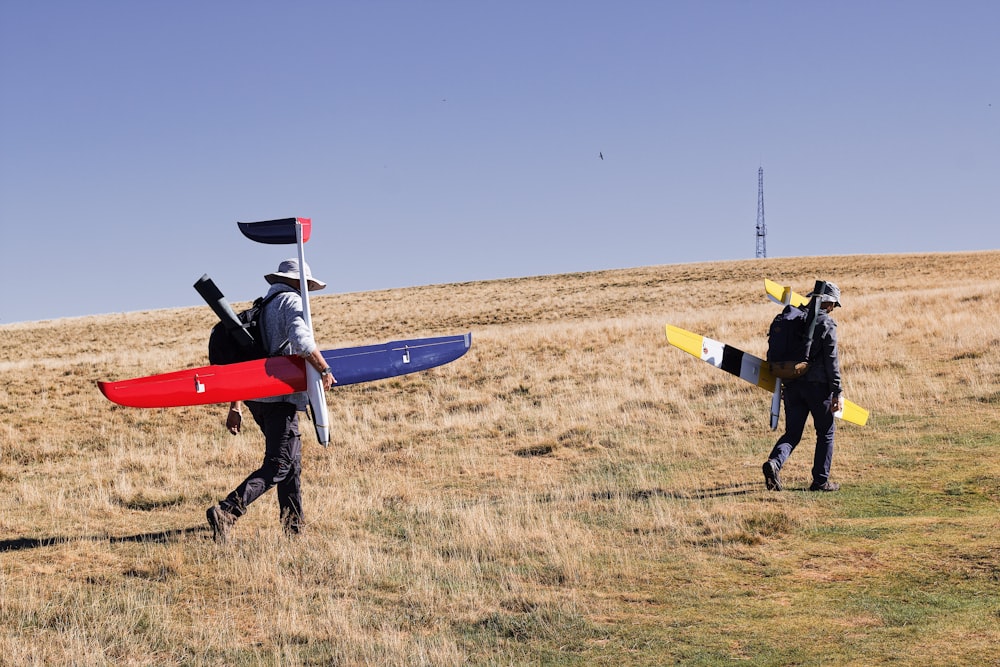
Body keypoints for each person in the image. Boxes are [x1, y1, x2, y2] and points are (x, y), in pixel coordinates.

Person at [206, 258, 336, 542]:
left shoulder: (264, 304)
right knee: (279, 464)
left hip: (258, 399)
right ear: (297, 282)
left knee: (290, 463)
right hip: (280, 398)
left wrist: (236, 405)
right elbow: (302, 342)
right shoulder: (290, 301)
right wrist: (324, 368)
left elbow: (247, 357)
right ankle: (227, 511)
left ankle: (294, 529)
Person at [762, 281, 845, 492]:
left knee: (792, 433)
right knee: (825, 432)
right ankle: (820, 481)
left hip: (791, 384)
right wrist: (837, 391)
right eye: (834, 305)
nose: (833, 309)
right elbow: (831, 361)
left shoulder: (794, 318)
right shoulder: (826, 323)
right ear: (828, 304)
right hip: (818, 388)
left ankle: (774, 463)